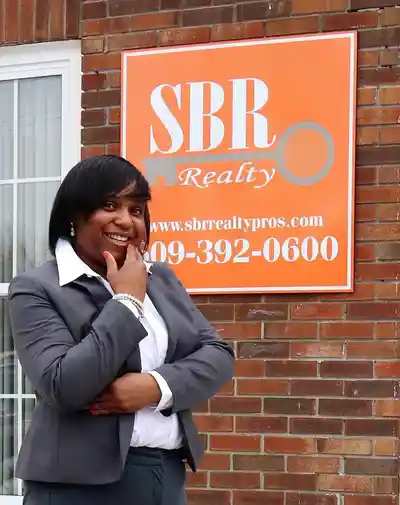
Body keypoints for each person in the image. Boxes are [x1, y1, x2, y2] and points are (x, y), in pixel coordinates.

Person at [8, 154, 235, 505]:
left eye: (137, 209)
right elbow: (62, 384)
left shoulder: (160, 279)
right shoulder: (38, 288)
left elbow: (217, 355)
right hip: (78, 489)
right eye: (110, 205)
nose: (126, 221)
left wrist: (156, 387)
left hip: (166, 479)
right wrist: (127, 301)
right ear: (74, 214)